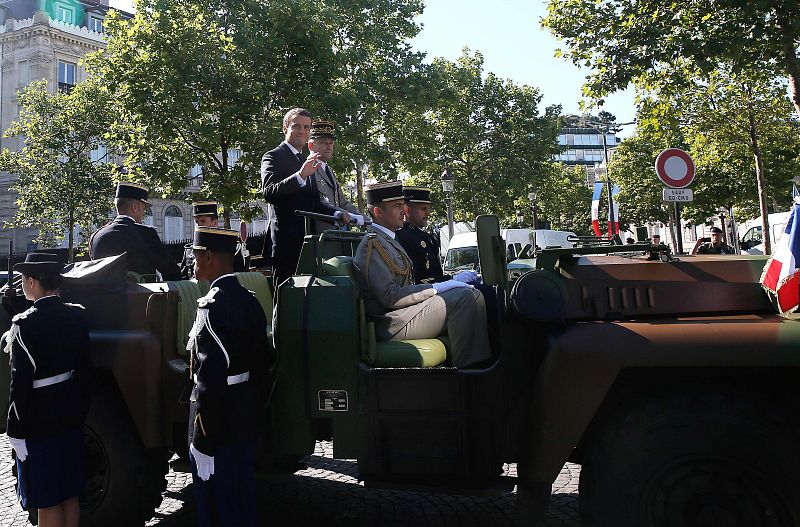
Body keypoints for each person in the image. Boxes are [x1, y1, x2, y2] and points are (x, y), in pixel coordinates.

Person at [353, 181, 491, 369]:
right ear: (378, 212)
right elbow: (390, 296)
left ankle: (479, 367)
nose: (404, 211)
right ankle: (466, 375)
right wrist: (436, 288)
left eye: (403, 205)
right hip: (391, 324)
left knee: (474, 294)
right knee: (463, 297)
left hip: (404, 314)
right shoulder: (373, 245)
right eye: (397, 206)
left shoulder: (388, 240)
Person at [187, 227, 272, 527]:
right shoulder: (250, 300)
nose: (193, 262)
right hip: (244, 416)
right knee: (241, 500)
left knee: (217, 508)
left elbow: (209, 382)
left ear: (209, 256)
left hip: (219, 428)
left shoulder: (210, 307)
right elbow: (263, 365)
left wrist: (203, 443)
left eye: (196, 255)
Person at [5, 253, 90, 527]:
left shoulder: (25, 325)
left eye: (23, 281)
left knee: (47, 498)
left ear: (32, 281)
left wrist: (15, 430)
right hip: (70, 415)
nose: (21, 285)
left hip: (39, 423)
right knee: (69, 493)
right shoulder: (76, 315)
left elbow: (19, 385)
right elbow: (84, 371)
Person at [261, 108, 351, 288]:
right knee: (285, 303)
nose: (302, 131)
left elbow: (315, 202)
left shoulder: (304, 160)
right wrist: (300, 176)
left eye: (306, 127)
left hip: (310, 245)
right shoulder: (273, 156)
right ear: (285, 127)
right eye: (297, 126)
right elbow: (270, 192)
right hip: (286, 245)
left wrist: (338, 213)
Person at [90, 181, 181, 281]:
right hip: (142, 296)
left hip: (104, 296)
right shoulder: (145, 234)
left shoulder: (96, 236)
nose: (143, 213)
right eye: (143, 208)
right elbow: (171, 271)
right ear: (134, 208)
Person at [306, 120, 364, 232]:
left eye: (331, 143)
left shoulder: (329, 171)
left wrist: (363, 218)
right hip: (319, 233)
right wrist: (342, 214)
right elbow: (318, 202)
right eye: (323, 143)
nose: (328, 147)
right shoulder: (307, 169)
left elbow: (342, 202)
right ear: (311, 145)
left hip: (336, 232)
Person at [180, 202, 247, 279]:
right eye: (196, 222)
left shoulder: (231, 248)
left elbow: (240, 277)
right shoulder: (189, 251)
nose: (198, 225)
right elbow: (183, 279)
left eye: (203, 221)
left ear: (214, 222)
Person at [395, 187, 446, 283]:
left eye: (428, 209)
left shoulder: (424, 236)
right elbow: (416, 279)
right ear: (407, 210)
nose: (428, 213)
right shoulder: (403, 237)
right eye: (423, 209)